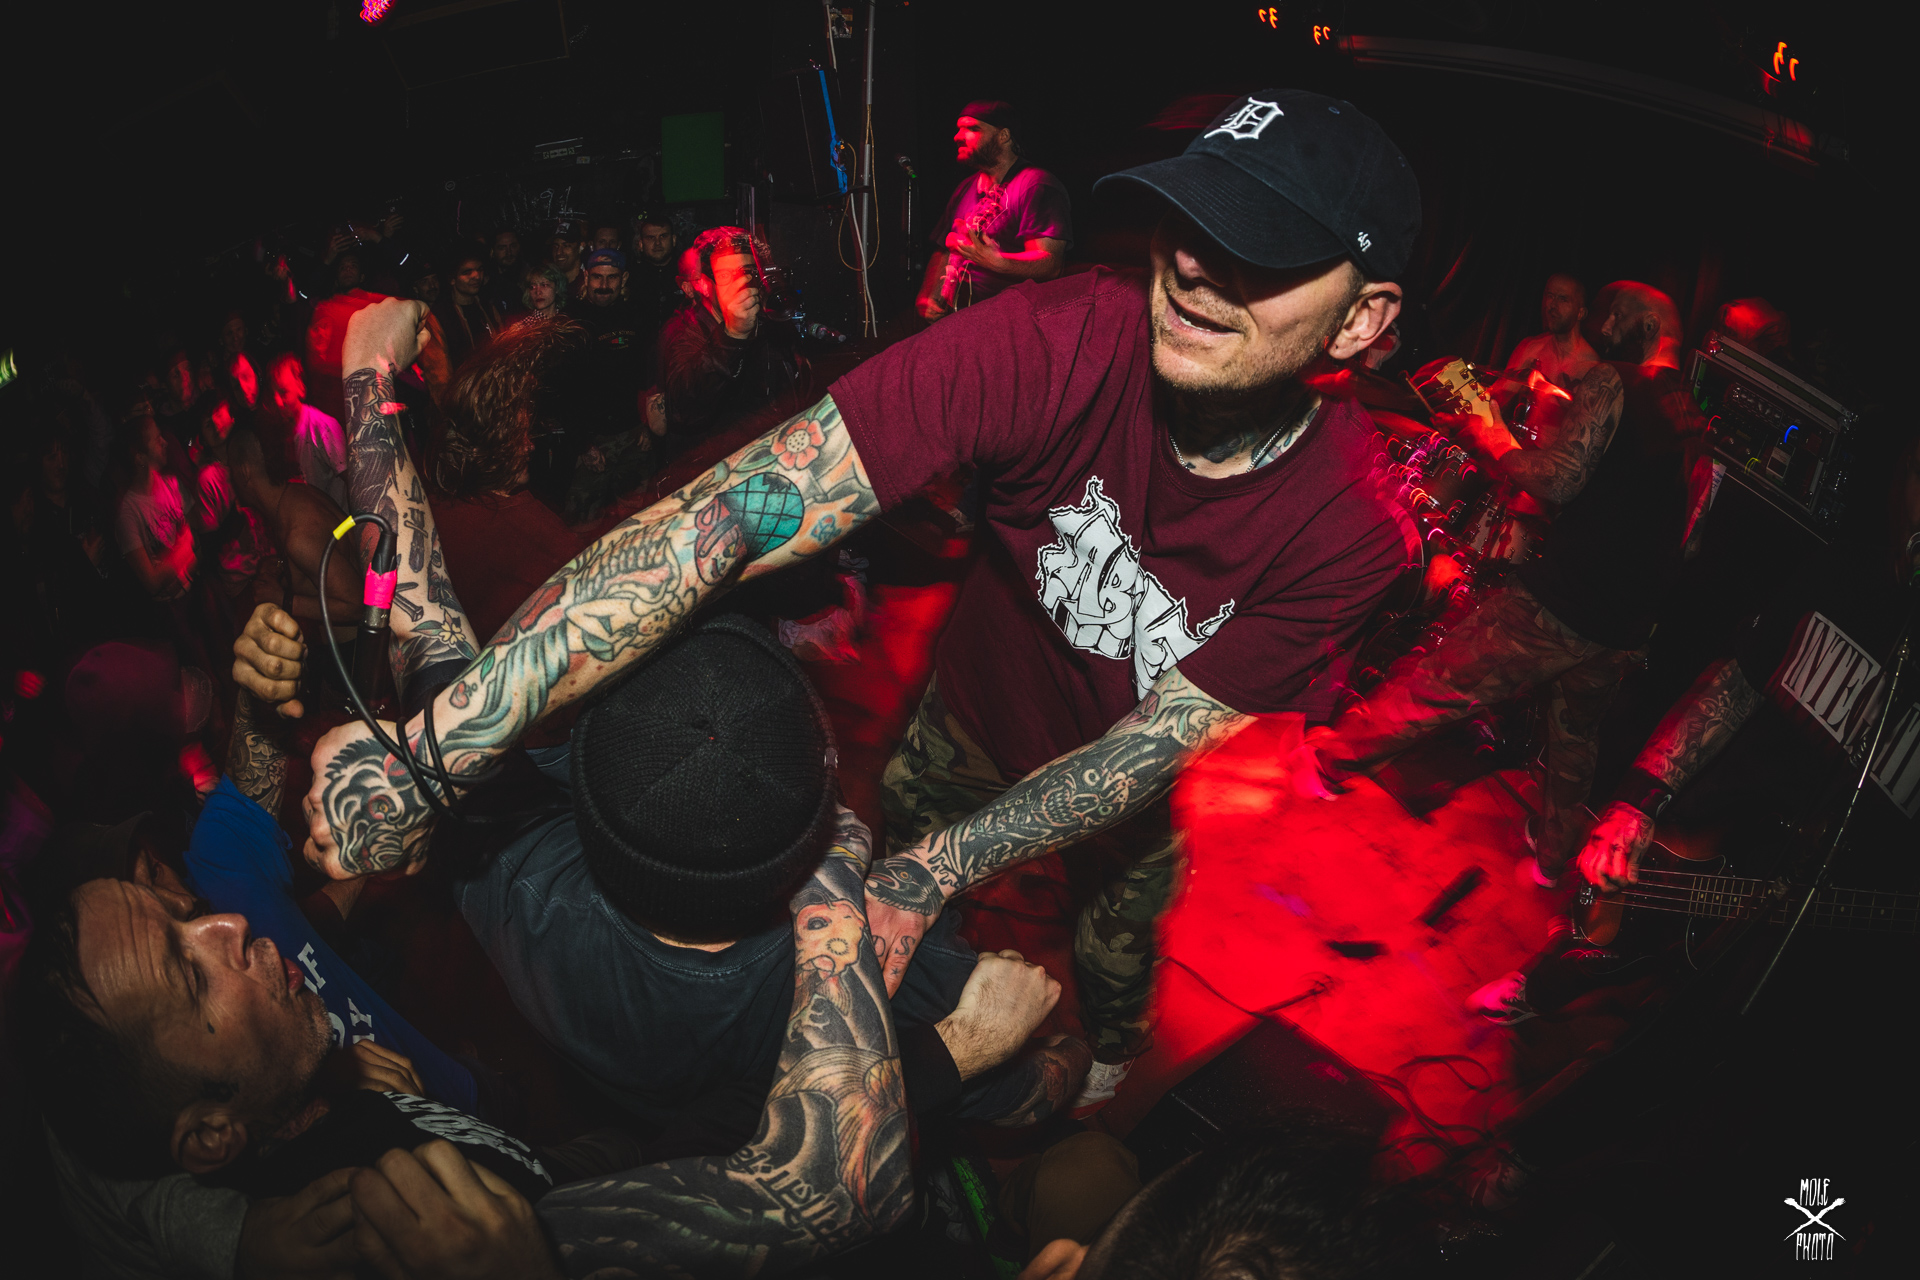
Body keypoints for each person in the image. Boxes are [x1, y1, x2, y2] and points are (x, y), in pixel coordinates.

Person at [301, 91, 1418, 1118]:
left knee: (1116, 953)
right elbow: (723, 520)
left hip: (1116, 775)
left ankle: (1112, 1072)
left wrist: (942, 871)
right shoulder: (1061, 335)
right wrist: (432, 757)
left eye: (1262, 251)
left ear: (1362, 319)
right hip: (968, 709)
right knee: (906, 896)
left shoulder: (1354, 530)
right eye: (1192, 219)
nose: (1196, 268)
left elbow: (1149, 746)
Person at [1470, 427, 1920, 1025]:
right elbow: (1733, 685)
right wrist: (1637, 802)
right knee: (1611, 929)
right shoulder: (1843, 572)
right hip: (1712, 837)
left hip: (1829, 931)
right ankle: (1560, 978)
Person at [1296, 282, 1708, 883]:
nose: (1601, 329)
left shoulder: (1617, 380)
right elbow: (1690, 537)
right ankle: (1553, 858)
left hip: (1564, 601)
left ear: (1642, 324)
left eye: (1611, 317)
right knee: (1574, 736)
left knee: (1447, 678)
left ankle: (1331, 760)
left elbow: (1558, 481)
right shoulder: (1692, 415)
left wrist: (1491, 438)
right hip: (1623, 623)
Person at [430, 318, 590, 645]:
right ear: (492, 448)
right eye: (520, 437)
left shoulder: (437, 507)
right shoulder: (523, 520)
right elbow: (586, 586)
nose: (531, 446)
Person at [917, 100, 1073, 320]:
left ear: (1004, 136)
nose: (958, 136)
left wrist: (998, 262)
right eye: (959, 129)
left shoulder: (1037, 185)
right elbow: (943, 249)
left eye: (973, 128)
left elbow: (1051, 265)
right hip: (960, 320)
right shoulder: (965, 188)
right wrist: (929, 296)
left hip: (1009, 321)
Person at [658, 227, 806, 451]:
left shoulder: (767, 320)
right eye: (726, 275)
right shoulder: (682, 332)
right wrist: (733, 335)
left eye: (748, 272)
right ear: (702, 284)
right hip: (715, 463)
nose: (742, 282)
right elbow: (684, 411)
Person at [223, 427, 361, 644]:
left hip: (354, 649)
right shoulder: (296, 495)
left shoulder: (299, 534)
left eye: (231, 471)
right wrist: (281, 566)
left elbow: (356, 605)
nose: (231, 480)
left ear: (244, 471)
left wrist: (283, 600)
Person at [560, 246, 652, 520]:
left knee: (635, 519)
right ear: (586, 277)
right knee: (582, 523)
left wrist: (648, 424)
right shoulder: (570, 320)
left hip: (633, 435)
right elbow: (564, 388)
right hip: (593, 441)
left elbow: (647, 372)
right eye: (597, 277)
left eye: (611, 277)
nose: (603, 285)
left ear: (623, 279)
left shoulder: (636, 314)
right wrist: (582, 444)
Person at [115, 417, 197, 604]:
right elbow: (152, 583)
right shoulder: (128, 515)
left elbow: (198, 538)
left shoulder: (172, 484)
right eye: (157, 439)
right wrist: (186, 545)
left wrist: (172, 570)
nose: (165, 442)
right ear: (140, 457)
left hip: (197, 591)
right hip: (171, 609)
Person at [269, 352, 350, 509]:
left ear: (301, 388)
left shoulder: (323, 428)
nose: (278, 402)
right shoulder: (279, 434)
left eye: (283, 392)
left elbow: (353, 483)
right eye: (273, 395)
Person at [1504, 273, 1598, 391]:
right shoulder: (1530, 349)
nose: (1553, 305)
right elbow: (1501, 394)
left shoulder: (1591, 367)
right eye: (1550, 296)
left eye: (1563, 299)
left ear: (1581, 313)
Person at [429, 251, 504, 377]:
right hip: (462, 385)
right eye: (467, 272)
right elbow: (438, 371)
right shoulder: (440, 316)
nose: (476, 276)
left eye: (480, 269)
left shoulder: (487, 307)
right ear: (452, 279)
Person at [626, 211, 682, 330]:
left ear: (673, 240)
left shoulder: (687, 275)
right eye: (650, 238)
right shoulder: (629, 278)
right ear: (640, 244)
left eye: (663, 236)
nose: (657, 243)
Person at [547, 216, 588, 300]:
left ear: (581, 247)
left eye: (566, 246)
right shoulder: (547, 283)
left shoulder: (590, 283)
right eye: (555, 246)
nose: (558, 252)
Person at [485, 228, 523, 312]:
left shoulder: (529, 277)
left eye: (513, 246)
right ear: (492, 251)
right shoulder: (485, 280)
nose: (509, 252)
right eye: (502, 248)